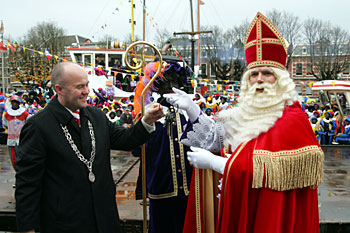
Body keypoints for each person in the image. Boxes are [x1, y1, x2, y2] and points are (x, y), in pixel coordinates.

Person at [166, 12, 324, 233]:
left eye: (267, 73)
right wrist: (193, 110)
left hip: (272, 217)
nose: (259, 79)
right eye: (254, 74)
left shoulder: (291, 117)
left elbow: (263, 170)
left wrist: (216, 164)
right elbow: (218, 135)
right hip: (249, 209)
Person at [15, 62, 164, 233]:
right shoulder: (38, 126)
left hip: (104, 220)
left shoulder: (96, 116)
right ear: (59, 89)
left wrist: (147, 121)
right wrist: (28, 229)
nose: (86, 91)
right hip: (65, 224)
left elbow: (125, 140)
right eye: (80, 87)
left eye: (87, 85)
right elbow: (27, 184)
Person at [132, 61, 193, 233]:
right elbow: (135, 149)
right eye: (167, 81)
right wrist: (145, 122)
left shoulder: (189, 111)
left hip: (189, 190)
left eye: (175, 81)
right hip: (161, 188)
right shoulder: (148, 112)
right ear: (157, 86)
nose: (172, 86)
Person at [3, 95, 29, 172]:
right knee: (14, 160)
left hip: (22, 140)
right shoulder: (7, 115)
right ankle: (17, 174)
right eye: (13, 102)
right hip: (11, 141)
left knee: (22, 158)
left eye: (16, 103)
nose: (14, 104)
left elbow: (29, 124)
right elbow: (5, 124)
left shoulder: (24, 114)